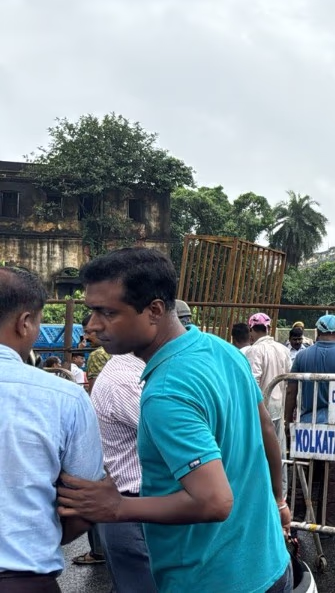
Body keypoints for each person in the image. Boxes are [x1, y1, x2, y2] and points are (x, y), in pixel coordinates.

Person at [56, 248, 290, 593]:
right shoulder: (221, 350)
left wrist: (118, 507)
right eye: (91, 311)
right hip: (268, 564)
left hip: (211, 581)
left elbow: (214, 501)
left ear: (154, 310)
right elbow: (265, 427)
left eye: (107, 312)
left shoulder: (165, 392)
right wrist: (279, 500)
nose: (92, 325)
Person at [0, 267, 105, 593]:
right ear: (25, 322)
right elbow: (86, 504)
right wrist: (35, 536)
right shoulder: (64, 397)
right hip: (23, 579)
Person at [88, 305, 192, 593]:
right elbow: (178, 434)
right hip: (135, 509)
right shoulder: (126, 381)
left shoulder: (147, 371)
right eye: (182, 326)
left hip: (143, 507)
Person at [284, 315, 335, 527]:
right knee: (332, 479)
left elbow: (291, 391)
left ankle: (294, 522)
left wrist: (288, 421)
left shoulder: (302, 356)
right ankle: (328, 525)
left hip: (306, 424)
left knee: (301, 476)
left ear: (317, 331)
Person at [244, 313, 292, 440]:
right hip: (279, 406)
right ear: (268, 328)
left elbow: (253, 382)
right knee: (277, 444)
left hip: (261, 408)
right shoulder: (283, 349)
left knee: (262, 444)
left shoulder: (254, 350)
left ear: (251, 329)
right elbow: (289, 377)